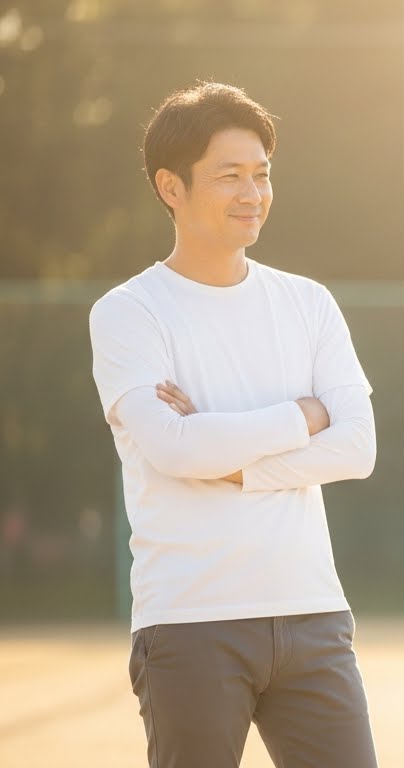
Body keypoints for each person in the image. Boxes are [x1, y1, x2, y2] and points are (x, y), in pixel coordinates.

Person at [88, 81, 379, 767]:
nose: (252, 193)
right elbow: (173, 449)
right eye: (229, 176)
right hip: (190, 624)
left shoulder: (308, 303)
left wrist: (237, 464)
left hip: (313, 615)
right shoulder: (130, 312)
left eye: (261, 175)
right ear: (171, 187)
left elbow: (357, 447)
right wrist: (304, 416)